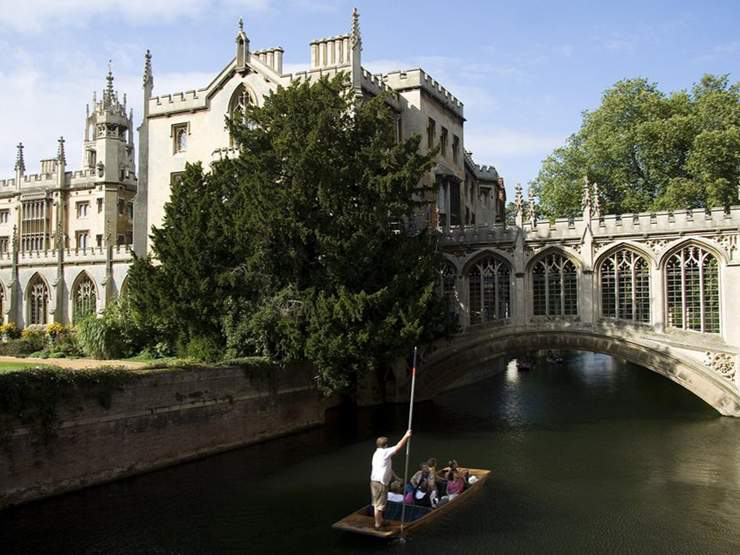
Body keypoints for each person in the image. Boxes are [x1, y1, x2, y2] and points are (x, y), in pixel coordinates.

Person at [370, 430, 412, 530]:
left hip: (374, 481)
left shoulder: (377, 453)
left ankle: (381, 520)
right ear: (385, 445)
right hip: (380, 483)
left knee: (378, 503)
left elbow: (387, 467)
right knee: (379, 505)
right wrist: (406, 436)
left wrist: (396, 477)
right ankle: (377, 525)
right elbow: (398, 446)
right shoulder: (384, 452)